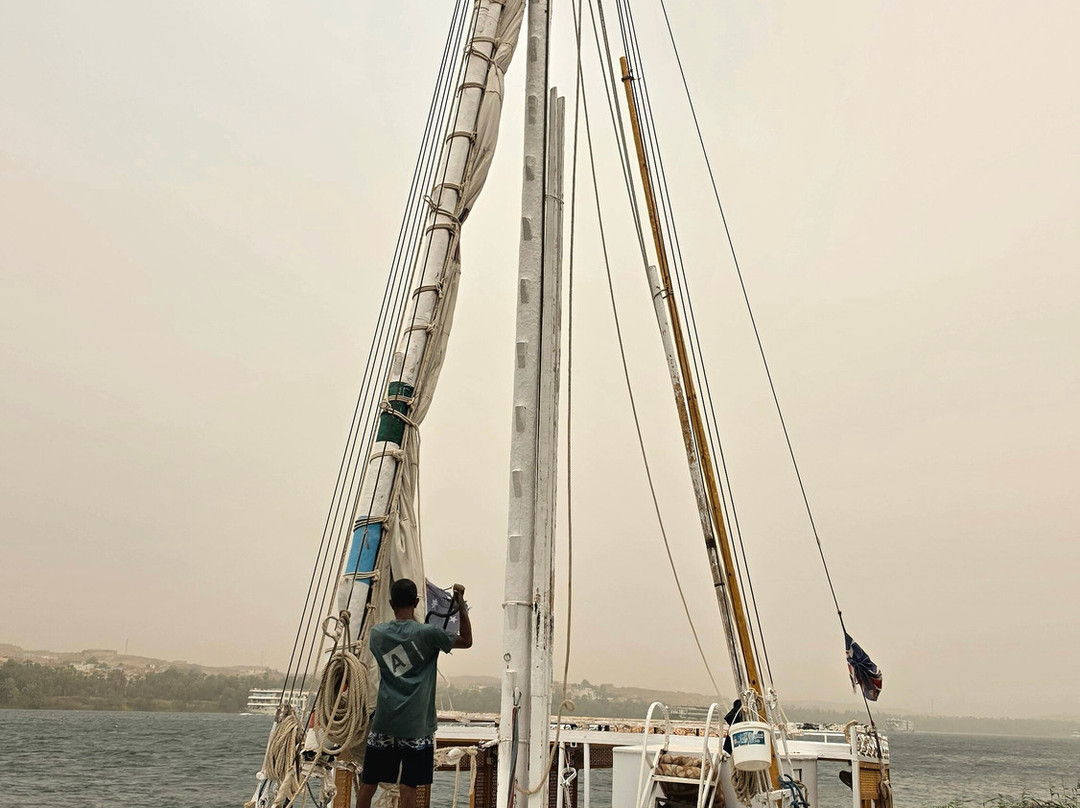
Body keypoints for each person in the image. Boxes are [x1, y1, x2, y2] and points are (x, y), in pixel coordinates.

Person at [355, 578, 472, 808]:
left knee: (369, 782)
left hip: (385, 723)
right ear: (417, 602)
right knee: (408, 786)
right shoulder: (430, 634)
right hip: (417, 726)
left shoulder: (377, 635)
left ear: (391, 603)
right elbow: (466, 641)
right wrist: (461, 606)